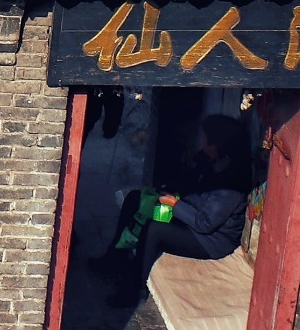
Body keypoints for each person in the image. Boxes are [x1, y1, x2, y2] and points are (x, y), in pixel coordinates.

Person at [108, 113, 252, 307]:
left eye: (208, 140)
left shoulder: (230, 185)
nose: (204, 143)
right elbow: (191, 187)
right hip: (192, 215)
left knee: (154, 230)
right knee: (135, 198)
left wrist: (175, 205)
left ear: (219, 146)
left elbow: (205, 223)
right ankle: (113, 257)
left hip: (210, 240)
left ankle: (134, 289)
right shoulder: (210, 163)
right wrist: (172, 189)